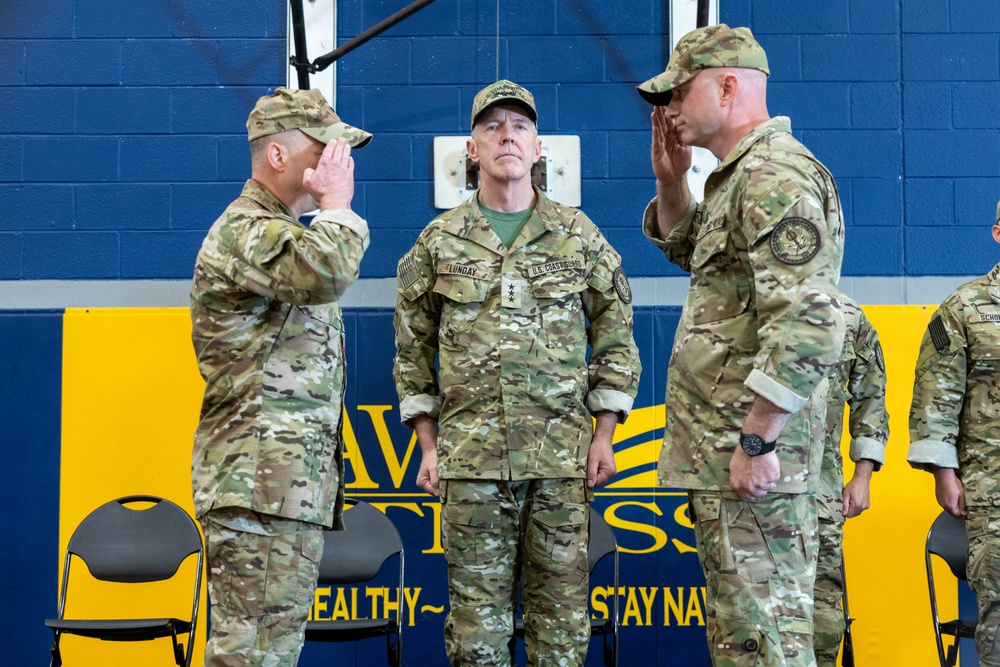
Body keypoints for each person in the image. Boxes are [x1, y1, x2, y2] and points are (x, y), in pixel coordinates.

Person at [393, 80, 641, 666]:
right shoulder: (437, 242)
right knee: (477, 633)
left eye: (521, 127)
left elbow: (616, 338)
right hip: (470, 463)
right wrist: (428, 447)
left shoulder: (578, 235)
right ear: (472, 151)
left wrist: (603, 436)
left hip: (561, 463)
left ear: (537, 151)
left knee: (561, 628)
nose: (508, 135)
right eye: (492, 127)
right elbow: (411, 353)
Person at [637, 24, 846, 666]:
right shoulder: (735, 178)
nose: (668, 109)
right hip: (732, 460)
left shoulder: (772, 176)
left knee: (764, 647)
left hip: (754, 465)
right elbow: (691, 254)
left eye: (678, 91)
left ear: (727, 87)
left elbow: (810, 321)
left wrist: (758, 440)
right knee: (750, 642)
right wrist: (672, 183)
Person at [190, 87, 372, 666]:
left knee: (272, 650)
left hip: (283, 488)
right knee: (249, 652)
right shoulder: (246, 230)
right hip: (256, 486)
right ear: (277, 156)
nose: (339, 159)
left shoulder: (284, 232)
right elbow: (326, 271)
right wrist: (337, 206)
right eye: (326, 147)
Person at [908, 202, 1000, 667]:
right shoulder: (964, 309)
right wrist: (944, 474)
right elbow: (934, 399)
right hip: (992, 491)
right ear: (998, 232)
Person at [813, 295, 889, 666]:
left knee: (824, 608)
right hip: (750, 496)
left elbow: (871, 400)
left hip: (820, 492)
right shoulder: (740, 305)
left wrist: (863, 476)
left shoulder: (850, 317)